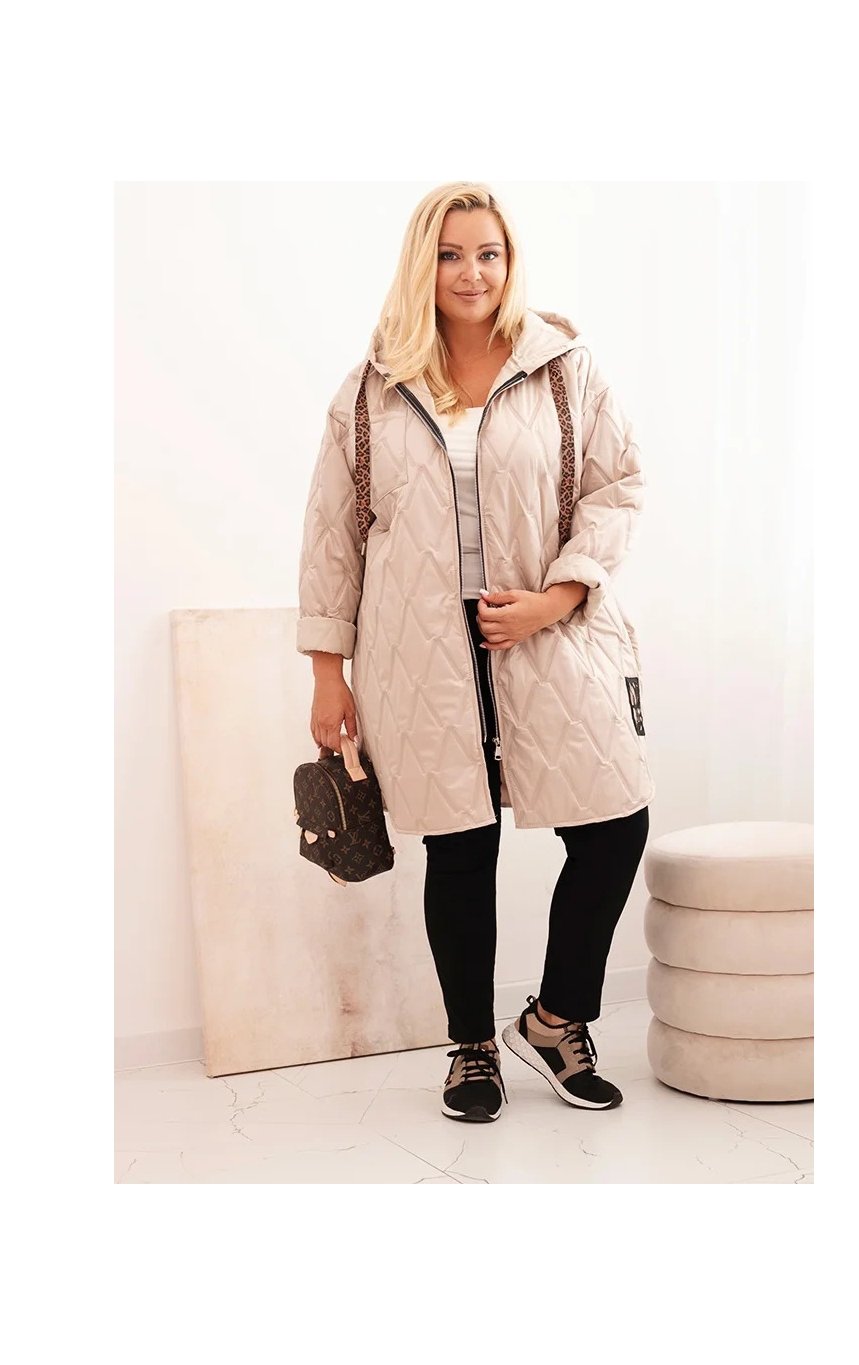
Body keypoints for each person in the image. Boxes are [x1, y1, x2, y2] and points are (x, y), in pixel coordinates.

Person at [297, 182, 654, 1123]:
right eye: (451, 254)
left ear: (510, 260)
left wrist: (556, 598)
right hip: (417, 645)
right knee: (460, 847)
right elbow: (333, 535)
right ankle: (471, 1048)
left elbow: (617, 487)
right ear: (424, 264)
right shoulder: (371, 390)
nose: (471, 272)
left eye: (488, 253)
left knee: (615, 824)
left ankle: (556, 1019)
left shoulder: (564, 367)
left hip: (547, 626)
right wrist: (328, 673)